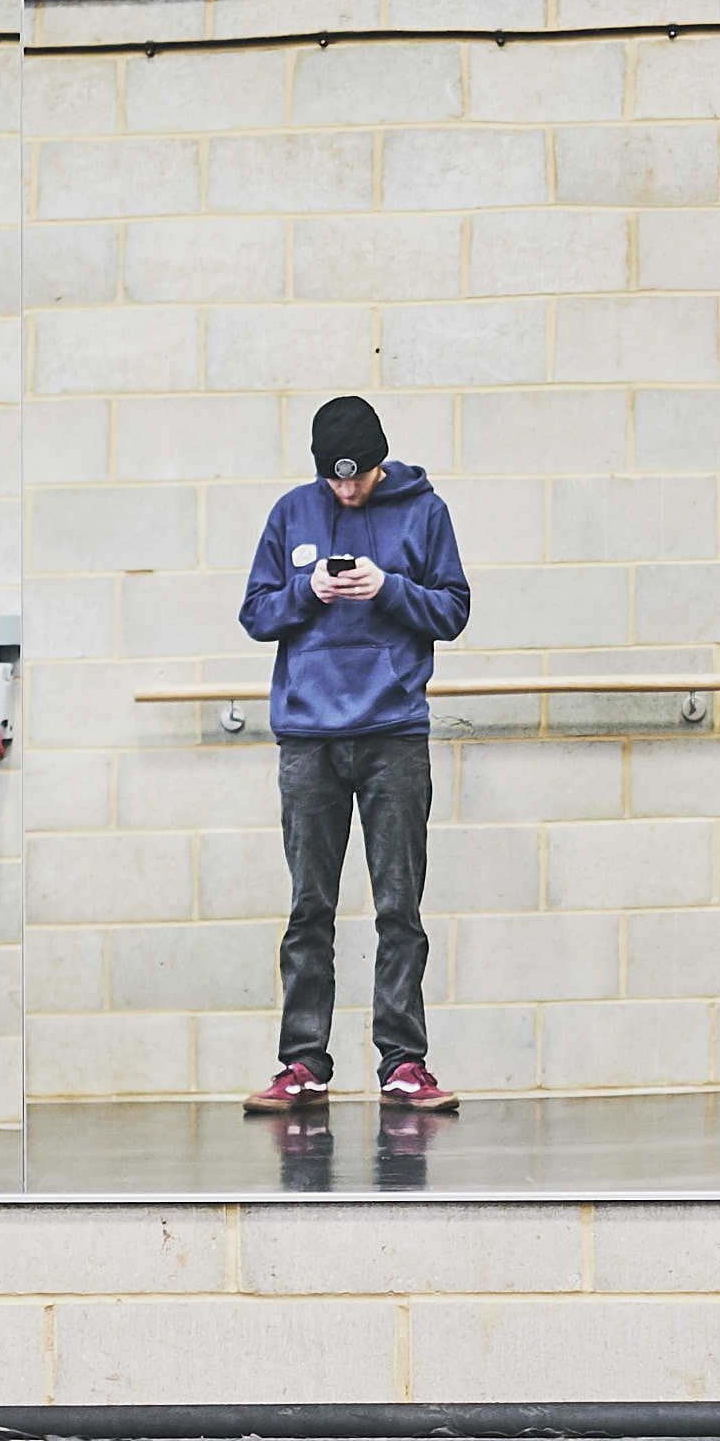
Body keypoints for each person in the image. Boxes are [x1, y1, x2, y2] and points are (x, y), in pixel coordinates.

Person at [236, 392, 474, 1112]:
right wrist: (307, 591)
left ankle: (405, 1063)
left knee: (398, 907)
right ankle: (303, 1063)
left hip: (393, 733)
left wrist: (391, 588)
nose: (346, 490)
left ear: (379, 461)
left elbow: (454, 610)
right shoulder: (290, 515)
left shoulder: (425, 512)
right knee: (310, 907)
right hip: (309, 739)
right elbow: (255, 612)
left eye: (359, 477)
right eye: (335, 480)